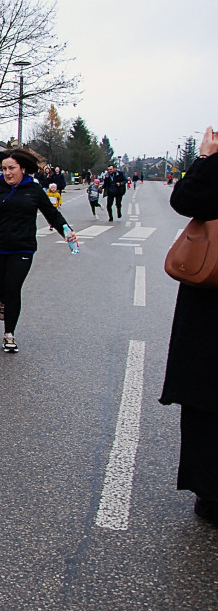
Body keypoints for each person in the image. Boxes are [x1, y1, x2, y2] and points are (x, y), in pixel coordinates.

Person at [0, 148, 77, 353]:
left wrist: (67, 232)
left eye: (11, 168)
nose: (7, 173)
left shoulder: (34, 190)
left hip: (23, 248)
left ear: (22, 168)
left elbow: (52, 214)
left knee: (13, 289)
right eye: (4, 169)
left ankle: (9, 334)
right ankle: (2, 301)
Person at [161, 126, 218, 527]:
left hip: (212, 304)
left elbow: (186, 199)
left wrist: (207, 160)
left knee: (206, 393)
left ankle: (211, 492)